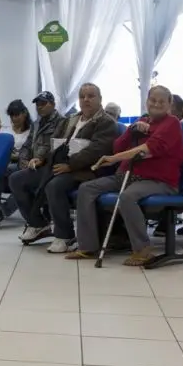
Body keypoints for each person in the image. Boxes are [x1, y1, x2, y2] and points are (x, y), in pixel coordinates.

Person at [69, 86, 183, 265]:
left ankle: (143, 250)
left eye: (161, 101)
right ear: (146, 102)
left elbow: (145, 150)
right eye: (153, 100)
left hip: (158, 180)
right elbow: (118, 146)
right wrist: (132, 130)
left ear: (169, 104)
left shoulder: (172, 123)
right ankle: (88, 247)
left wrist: (114, 159)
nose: (156, 104)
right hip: (127, 176)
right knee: (86, 189)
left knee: (127, 196)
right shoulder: (142, 121)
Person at [42, 84, 118, 253]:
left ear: (100, 99)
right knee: (19, 178)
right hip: (62, 164)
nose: (86, 100)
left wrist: (69, 165)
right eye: (82, 96)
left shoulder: (106, 122)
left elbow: (96, 151)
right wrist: (43, 159)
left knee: (54, 186)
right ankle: (37, 224)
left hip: (87, 170)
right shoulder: (71, 120)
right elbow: (54, 141)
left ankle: (65, 236)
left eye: (91, 96)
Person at [8, 92, 64, 243]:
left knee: (16, 179)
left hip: (49, 166)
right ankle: (37, 223)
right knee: (12, 175)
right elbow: (27, 145)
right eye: (38, 104)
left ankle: (36, 223)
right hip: (33, 165)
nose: (40, 107)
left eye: (43, 103)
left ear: (52, 104)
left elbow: (56, 146)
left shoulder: (61, 122)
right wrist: (24, 161)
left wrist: (41, 159)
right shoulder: (37, 123)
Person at [0, 100, 32, 227]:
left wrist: (15, 155)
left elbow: (30, 152)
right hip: (5, 165)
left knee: (19, 180)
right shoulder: (5, 130)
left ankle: (1, 211)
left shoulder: (31, 132)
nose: (14, 118)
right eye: (11, 115)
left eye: (17, 115)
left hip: (21, 165)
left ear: (24, 113)